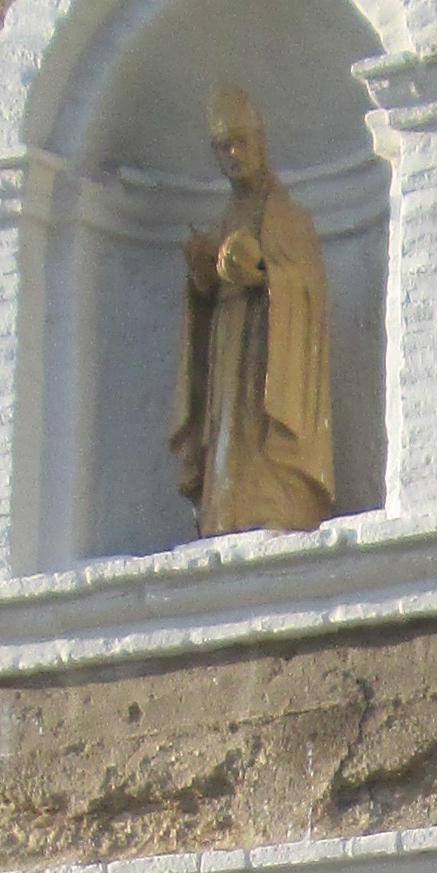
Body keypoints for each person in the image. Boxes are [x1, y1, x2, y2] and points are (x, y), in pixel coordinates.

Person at [173, 81, 336, 536]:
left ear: (260, 142)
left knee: (258, 437)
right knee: (227, 433)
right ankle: (224, 509)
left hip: (269, 348)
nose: (234, 154)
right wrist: (202, 277)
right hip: (229, 347)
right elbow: (208, 295)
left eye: (241, 142)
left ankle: (278, 505)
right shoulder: (226, 216)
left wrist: (264, 273)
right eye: (223, 146)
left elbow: (309, 292)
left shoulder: (288, 217)